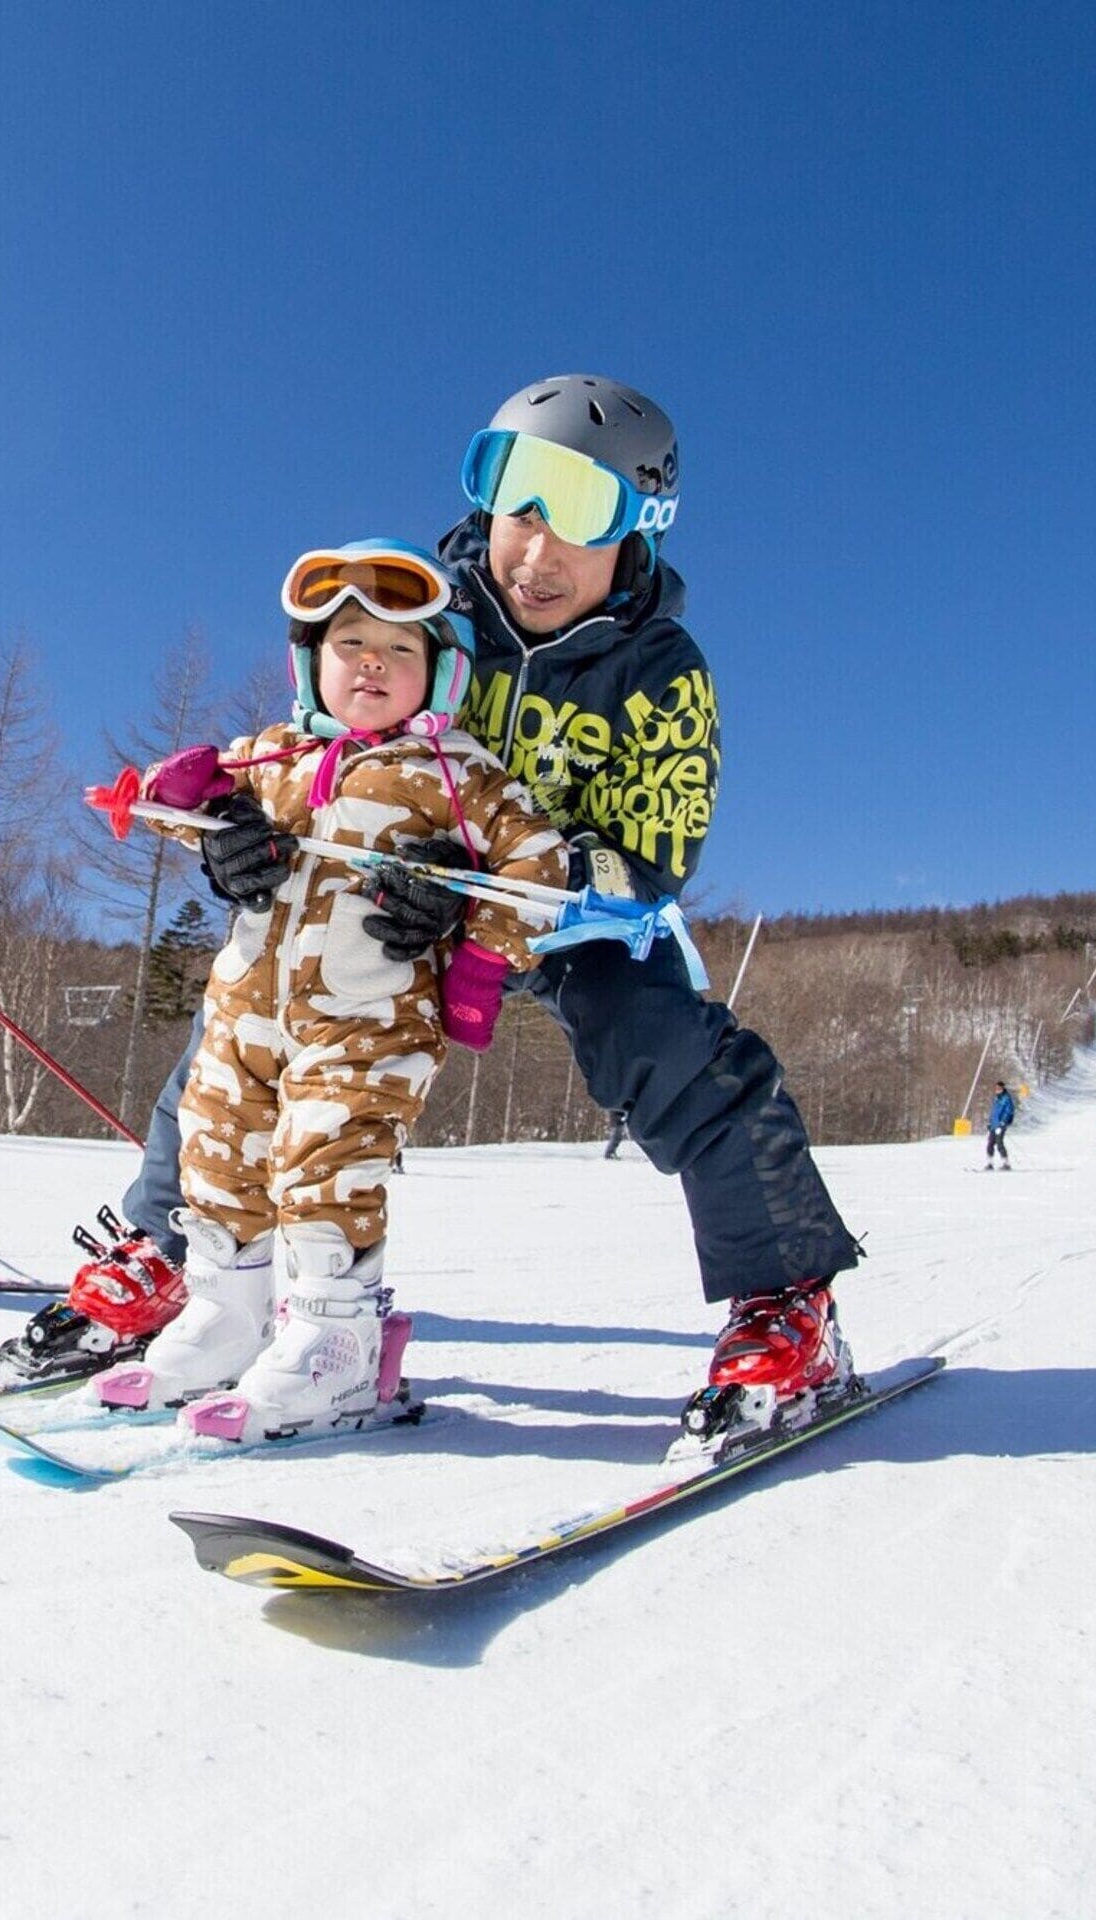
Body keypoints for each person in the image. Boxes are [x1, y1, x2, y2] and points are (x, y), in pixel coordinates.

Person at [77, 375, 866, 1453]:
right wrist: (240, 835)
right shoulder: (421, 605)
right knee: (256, 1009)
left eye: (580, 516)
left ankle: (789, 1305)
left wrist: (492, 879)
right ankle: (182, 1254)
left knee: (666, 1043)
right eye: (517, 500)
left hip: (561, 913)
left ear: (641, 528)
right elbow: (314, 732)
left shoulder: (659, 673)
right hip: (384, 897)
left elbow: (655, 857)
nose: (537, 551)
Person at [83, 541, 564, 1438]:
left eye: (400, 650)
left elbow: (539, 866)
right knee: (218, 1161)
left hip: (367, 1023)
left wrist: (475, 949)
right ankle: (229, 1319)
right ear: (312, 663)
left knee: (324, 1168)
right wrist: (201, 812)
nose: (373, 663)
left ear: (442, 676)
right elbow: (176, 799)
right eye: (350, 644)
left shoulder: (459, 776)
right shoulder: (274, 756)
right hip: (242, 1018)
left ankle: (334, 1349)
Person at [984, 1080, 1017, 1168]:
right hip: (994, 1125)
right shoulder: (996, 1098)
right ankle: (989, 1163)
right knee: (990, 1143)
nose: (997, 1089)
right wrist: (990, 1122)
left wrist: (1003, 1122)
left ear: (1002, 1088)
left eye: (999, 1088)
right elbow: (993, 1112)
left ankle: (1006, 1163)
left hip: (1001, 1125)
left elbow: (1009, 1111)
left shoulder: (1006, 1098)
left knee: (999, 1143)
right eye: (996, 1088)